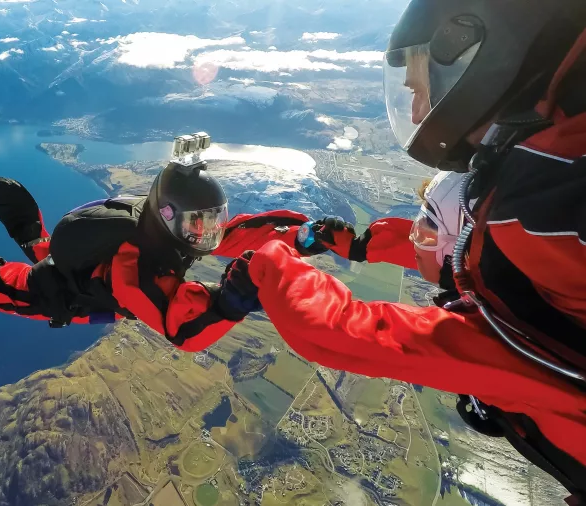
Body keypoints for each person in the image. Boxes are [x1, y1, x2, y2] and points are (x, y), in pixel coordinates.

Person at [226, 0, 586, 497]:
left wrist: (270, 262)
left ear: (477, 51)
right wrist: (356, 246)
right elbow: (447, 254)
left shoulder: (548, 198)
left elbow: (339, 333)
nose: (418, 113)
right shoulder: (545, 190)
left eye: (420, 90)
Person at [0, 134, 302, 352]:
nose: (208, 234)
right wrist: (230, 303)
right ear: (171, 216)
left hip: (80, 265)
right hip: (60, 288)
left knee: (36, 240)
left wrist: (302, 234)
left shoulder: (157, 221)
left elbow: (231, 233)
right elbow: (182, 329)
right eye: (201, 223)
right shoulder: (136, 267)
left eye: (209, 221)